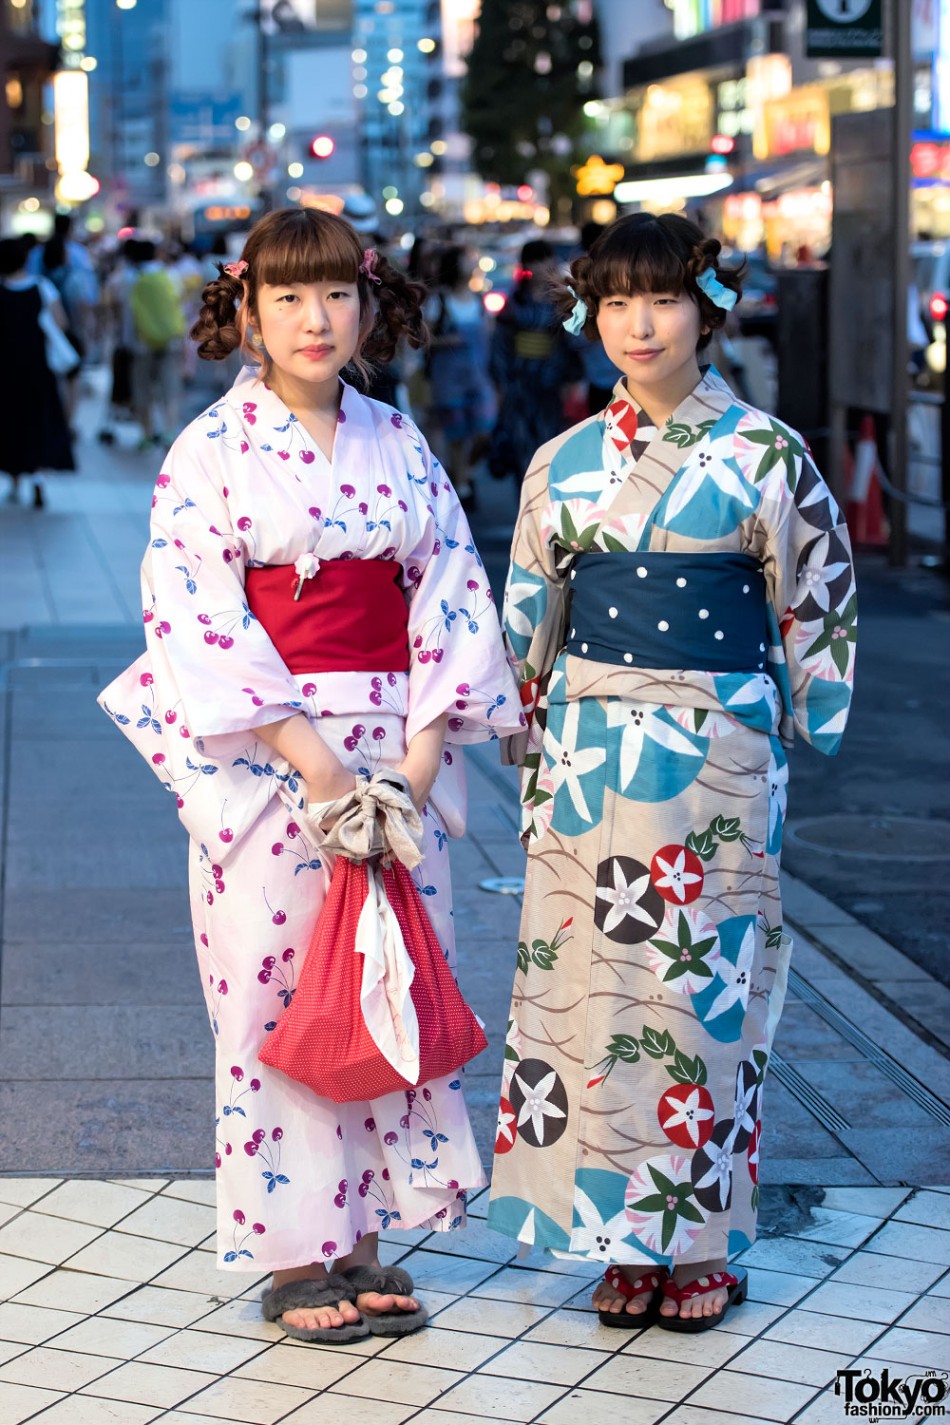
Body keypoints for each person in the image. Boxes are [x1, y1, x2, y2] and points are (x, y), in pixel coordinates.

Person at [98, 207, 524, 1345]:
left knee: (387, 984)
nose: (314, 317)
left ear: (370, 305)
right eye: (286, 295)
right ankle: (296, 1253)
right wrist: (319, 770)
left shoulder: (401, 443)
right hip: (276, 763)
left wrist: (415, 765)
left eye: (336, 293)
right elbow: (194, 617)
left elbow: (452, 598)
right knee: (273, 996)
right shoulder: (209, 452)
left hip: (396, 752)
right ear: (245, 309)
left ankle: (371, 1237)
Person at [487, 212, 856, 1333]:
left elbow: (814, 592)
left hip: (716, 755)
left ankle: (694, 1237)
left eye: (660, 301)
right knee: (583, 1000)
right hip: (590, 749)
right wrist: (520, 723)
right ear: (587, 315)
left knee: (700, 998)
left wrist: (805, 709)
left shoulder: (763, 454)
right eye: (613, 303)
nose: (636, 325)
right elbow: (528, 609)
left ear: (708, 310)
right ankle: (609, 1236)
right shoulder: (562, 462)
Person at [487, 238, 580, 480]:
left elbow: (571, 342)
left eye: (544, 260)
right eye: (535, 261)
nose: (540, 267)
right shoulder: (515, 302)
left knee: (551, 443)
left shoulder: (562, 300)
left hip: (552, 381)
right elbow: (501, 344)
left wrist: (572, 378)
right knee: (522, 445)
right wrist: (501, 382)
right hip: (520, 381)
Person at [0, 235, 75, 507]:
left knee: (9, 421)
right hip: (37, 368)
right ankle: (38, 479)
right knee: (39, 420)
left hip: (6, 370)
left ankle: (14, 479)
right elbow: (61, 323)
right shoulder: (42, 287)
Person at [425, 243, 495, 507]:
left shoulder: (478, 300)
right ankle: (462, 487)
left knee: (484, 431)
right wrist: (446, 341)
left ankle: (462, 474)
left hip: (478, 377)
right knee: (456, 436)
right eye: (467, 260)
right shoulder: (439, 301)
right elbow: (425, 338)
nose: (473, 264)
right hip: (448, 380)